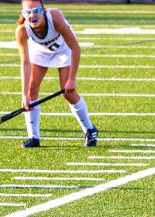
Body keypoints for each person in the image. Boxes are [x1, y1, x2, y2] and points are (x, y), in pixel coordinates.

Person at [16, 0, 97, 149]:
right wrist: (24, 96)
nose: (32, 16)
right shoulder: (22, 30)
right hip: (41, 51)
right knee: (31, 91)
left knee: (68, 93)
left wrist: (72, 79)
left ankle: (90, 130)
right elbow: (25, 63)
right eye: (27, 12)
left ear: (43, 10)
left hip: (65, 49)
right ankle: (33, 137)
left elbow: (75, 48)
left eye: (36, 11)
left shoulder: (54, 18)